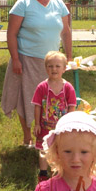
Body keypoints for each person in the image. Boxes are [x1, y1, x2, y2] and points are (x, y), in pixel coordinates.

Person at [1, 0, 73, 148]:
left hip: (52, 62)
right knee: (27, 98)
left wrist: (69, 57)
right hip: (26, 58)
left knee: (52, 99)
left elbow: (66, 32)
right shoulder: (23, 3)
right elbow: (11, 33)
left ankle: (51, 136)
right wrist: (16, 59)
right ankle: (28, 138)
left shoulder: (58, 4)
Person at [32, 51, 77, 182]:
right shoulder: (42, 87)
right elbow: (37, 106)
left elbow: (71, 106)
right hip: (45, 126)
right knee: (43, 149)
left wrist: (69, 124)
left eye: (57, 66)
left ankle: (57, 173)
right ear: (46, 68)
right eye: (50, 66)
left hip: (61, 128)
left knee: (59, 150)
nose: (54, 69)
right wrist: (37, 124)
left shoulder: (68, 87)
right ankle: (43, 173)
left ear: (64, 68)